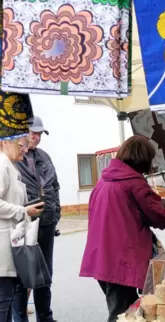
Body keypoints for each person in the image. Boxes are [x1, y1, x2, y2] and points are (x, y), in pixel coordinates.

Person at [79, 136, 165, 322]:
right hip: (121, 260)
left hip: (101, 257)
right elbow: (158, 217)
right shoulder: (134, 183)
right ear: (144, 159)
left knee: (122, 308)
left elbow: (128, 209)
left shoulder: (104, 181)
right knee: (124, 314)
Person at [0, 99, 44, 322]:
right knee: (3, 306)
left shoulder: (10, 166)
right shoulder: (1, 165)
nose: (24, 150)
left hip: (11, 247)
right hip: (2, 252)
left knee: (5, 305)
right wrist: (24, 211)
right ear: (5, 143)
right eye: (21, 145)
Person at [13, 116, 60, 322]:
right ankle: (20, 318)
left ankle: (45, 317)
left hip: (47, 222)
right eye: (33, 133)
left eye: (40, 134)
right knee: (23, 275)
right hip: (23, 224)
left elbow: (55, 186)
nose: (37, 137)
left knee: (44, 274)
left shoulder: (44, 157)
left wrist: (56, 212)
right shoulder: (12, 158)